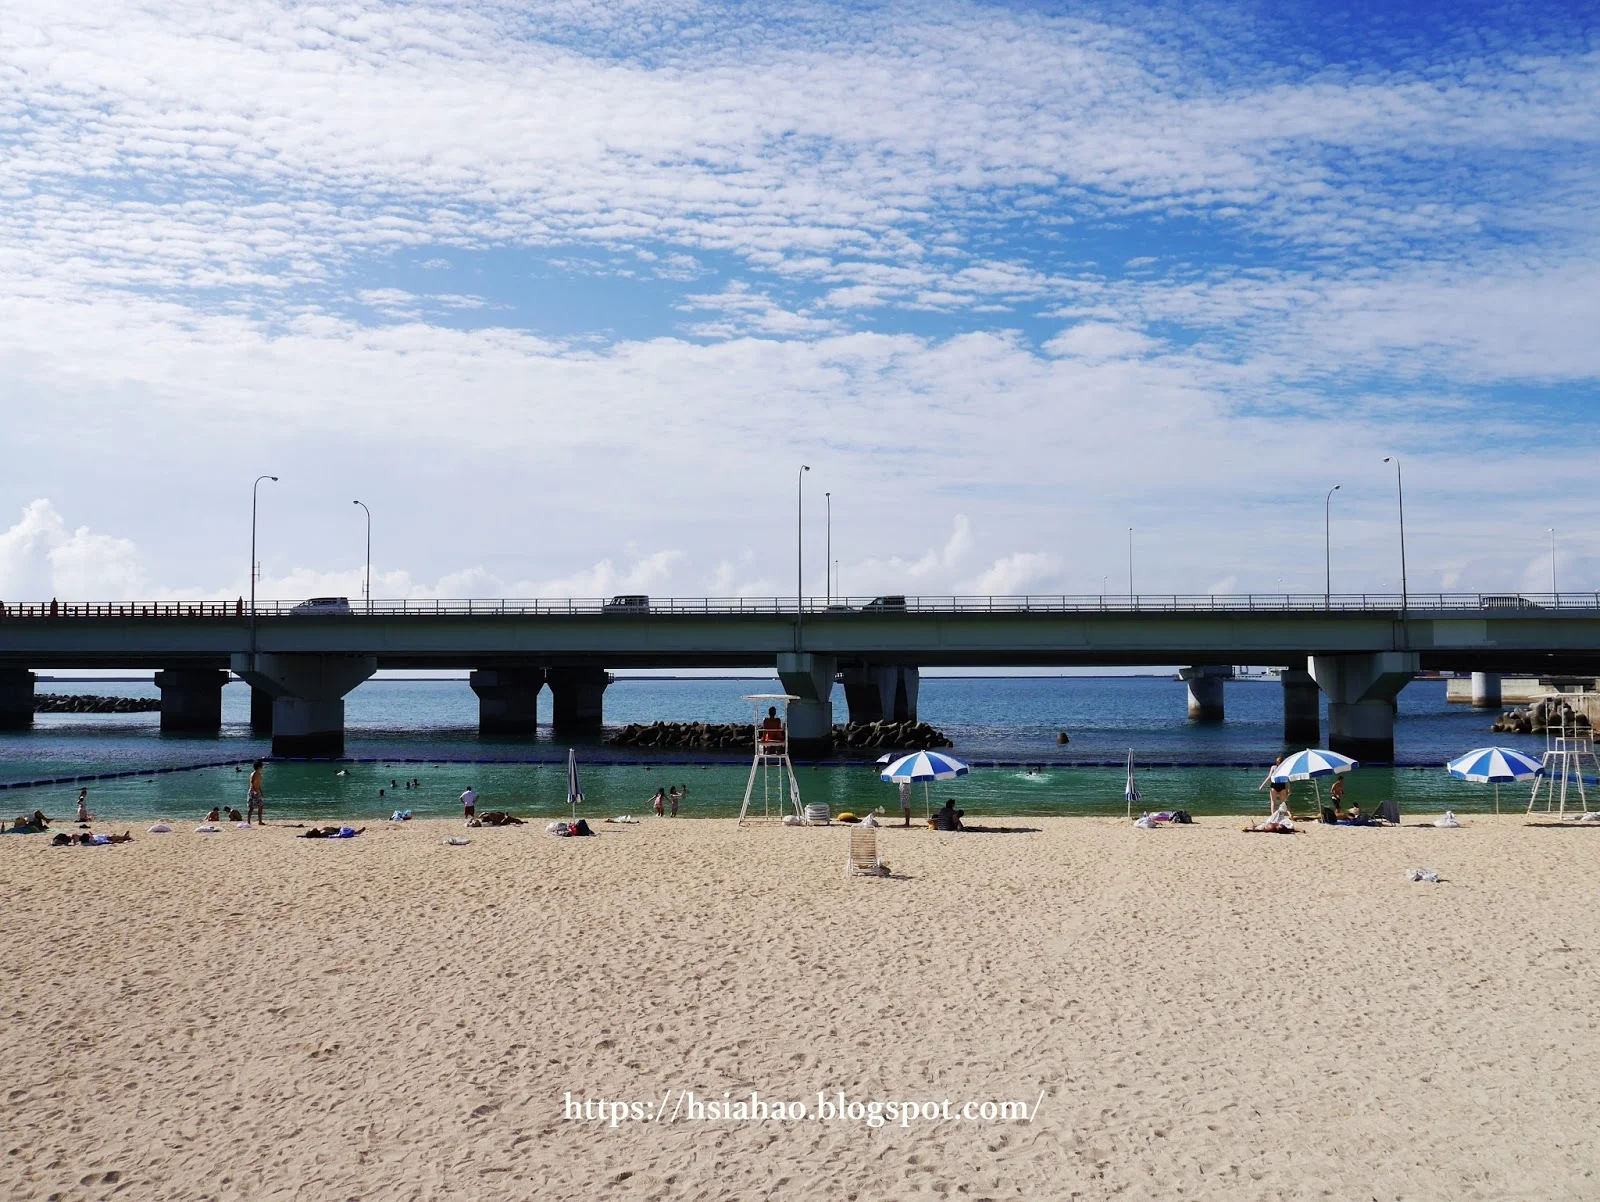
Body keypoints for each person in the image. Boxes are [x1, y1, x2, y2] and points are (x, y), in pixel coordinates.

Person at [247, 760, 266, 826]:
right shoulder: (254, 774)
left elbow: (258, 784)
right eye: (261, 766)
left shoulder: (259, 774)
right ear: (259, 767)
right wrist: (254, 791)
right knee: (251, 807)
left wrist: (261, 792)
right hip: (253, 792)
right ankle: (248, 822)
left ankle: (260, 821)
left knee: (260, 806)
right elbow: (252, 783)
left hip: (257, 791)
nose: (262, 767)